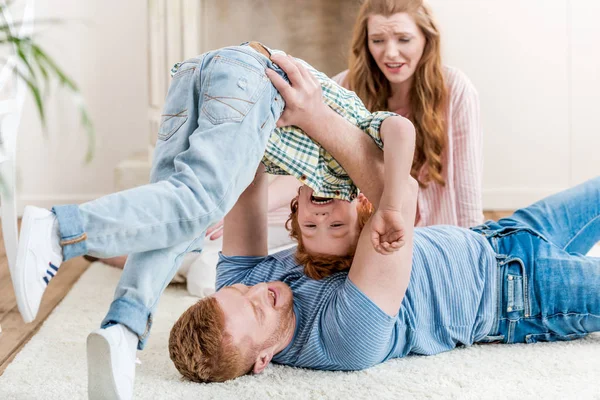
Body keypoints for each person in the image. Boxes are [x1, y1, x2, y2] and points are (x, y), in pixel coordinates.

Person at [11, 42, 414, 399]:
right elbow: (400, 131)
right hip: (250, 78)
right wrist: (392, 204)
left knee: (176, 219)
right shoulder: (364, 142)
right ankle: (59, 230)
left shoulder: (335, 171)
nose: (322, 215)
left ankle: (125, 324)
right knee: (199, 201)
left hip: (202, 77)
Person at [169, 154, 600, 382]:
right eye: (258, 308)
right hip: (521, 296)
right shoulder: (341, 338)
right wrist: (315, 114)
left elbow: (251, 177)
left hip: (495, 236)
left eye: (238, 292)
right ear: (263, 360)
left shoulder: (240, 292)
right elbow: (400, 192)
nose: (257, 288)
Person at [332, 0, 484, 228]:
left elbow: (467, 188)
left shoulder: (455, 89)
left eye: (404, 39)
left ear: (426, 39)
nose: (390, 53)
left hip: (437, 238)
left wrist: (474, 243)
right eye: (377, 41)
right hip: (369, 236)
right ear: (366, 43)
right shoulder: (343, 87)